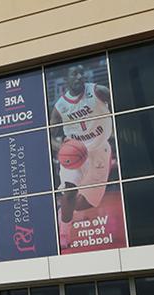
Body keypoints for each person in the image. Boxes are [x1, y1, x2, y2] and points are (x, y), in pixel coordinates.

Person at [49, 65, 113, 229]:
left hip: (100, 150)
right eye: (74, 74)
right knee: (69, 192)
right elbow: (49, 137)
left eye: (81, 73)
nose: (79, 77)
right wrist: (61, 147)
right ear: (66, 79)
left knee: (84, 204)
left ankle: (64, 209)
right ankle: (63, 231)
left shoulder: (99, 91)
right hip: (75, 150)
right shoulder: (60, 107)